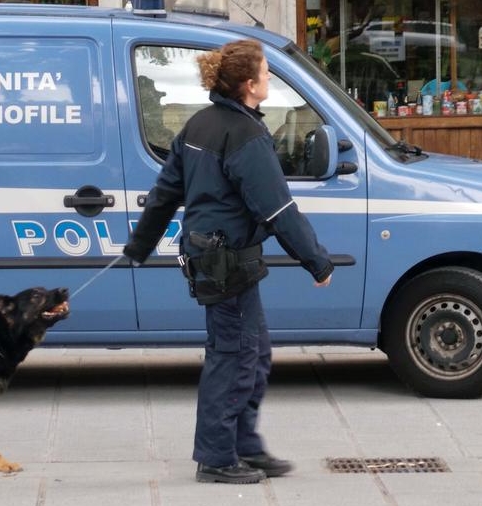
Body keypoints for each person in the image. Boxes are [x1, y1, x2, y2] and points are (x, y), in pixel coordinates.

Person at [123, 39, 334, 485]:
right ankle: (217, 457)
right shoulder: (245, 135)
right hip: (226, 262)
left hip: (218, 258)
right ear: (248, 83)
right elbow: (278, 210)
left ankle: (245, 447)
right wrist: (317, 261)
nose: (270, 77)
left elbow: (165, 193)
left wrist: (139, 246)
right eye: (265, 71)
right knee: (234, 356)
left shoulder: (200, 124)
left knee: (253, 354)